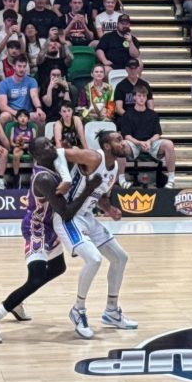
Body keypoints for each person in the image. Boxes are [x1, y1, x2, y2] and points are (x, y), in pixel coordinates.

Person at [0, 139, 103, 345]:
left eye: (51, 144)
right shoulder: (44, 178)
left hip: (49, 226)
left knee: (58, 268)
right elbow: (67, 213)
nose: (52, 148)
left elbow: (66, 162)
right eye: (45, 147)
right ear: (36, 155)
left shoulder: (53, 163)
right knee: (35, 278)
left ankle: (17, 303)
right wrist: (89, 188)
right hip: (37, 228)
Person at [59, 129, 138, 339]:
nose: (123, 143)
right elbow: (60, 152)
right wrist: (65, 178)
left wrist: (109, 209)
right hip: (69, 215)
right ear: (106, 146)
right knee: (93, 259)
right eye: (118, 140)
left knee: (120, 258)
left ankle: (111, 311)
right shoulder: (94, 157)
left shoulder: (114, 168)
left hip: (87, 216)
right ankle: (78, 310)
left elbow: (101, 196)